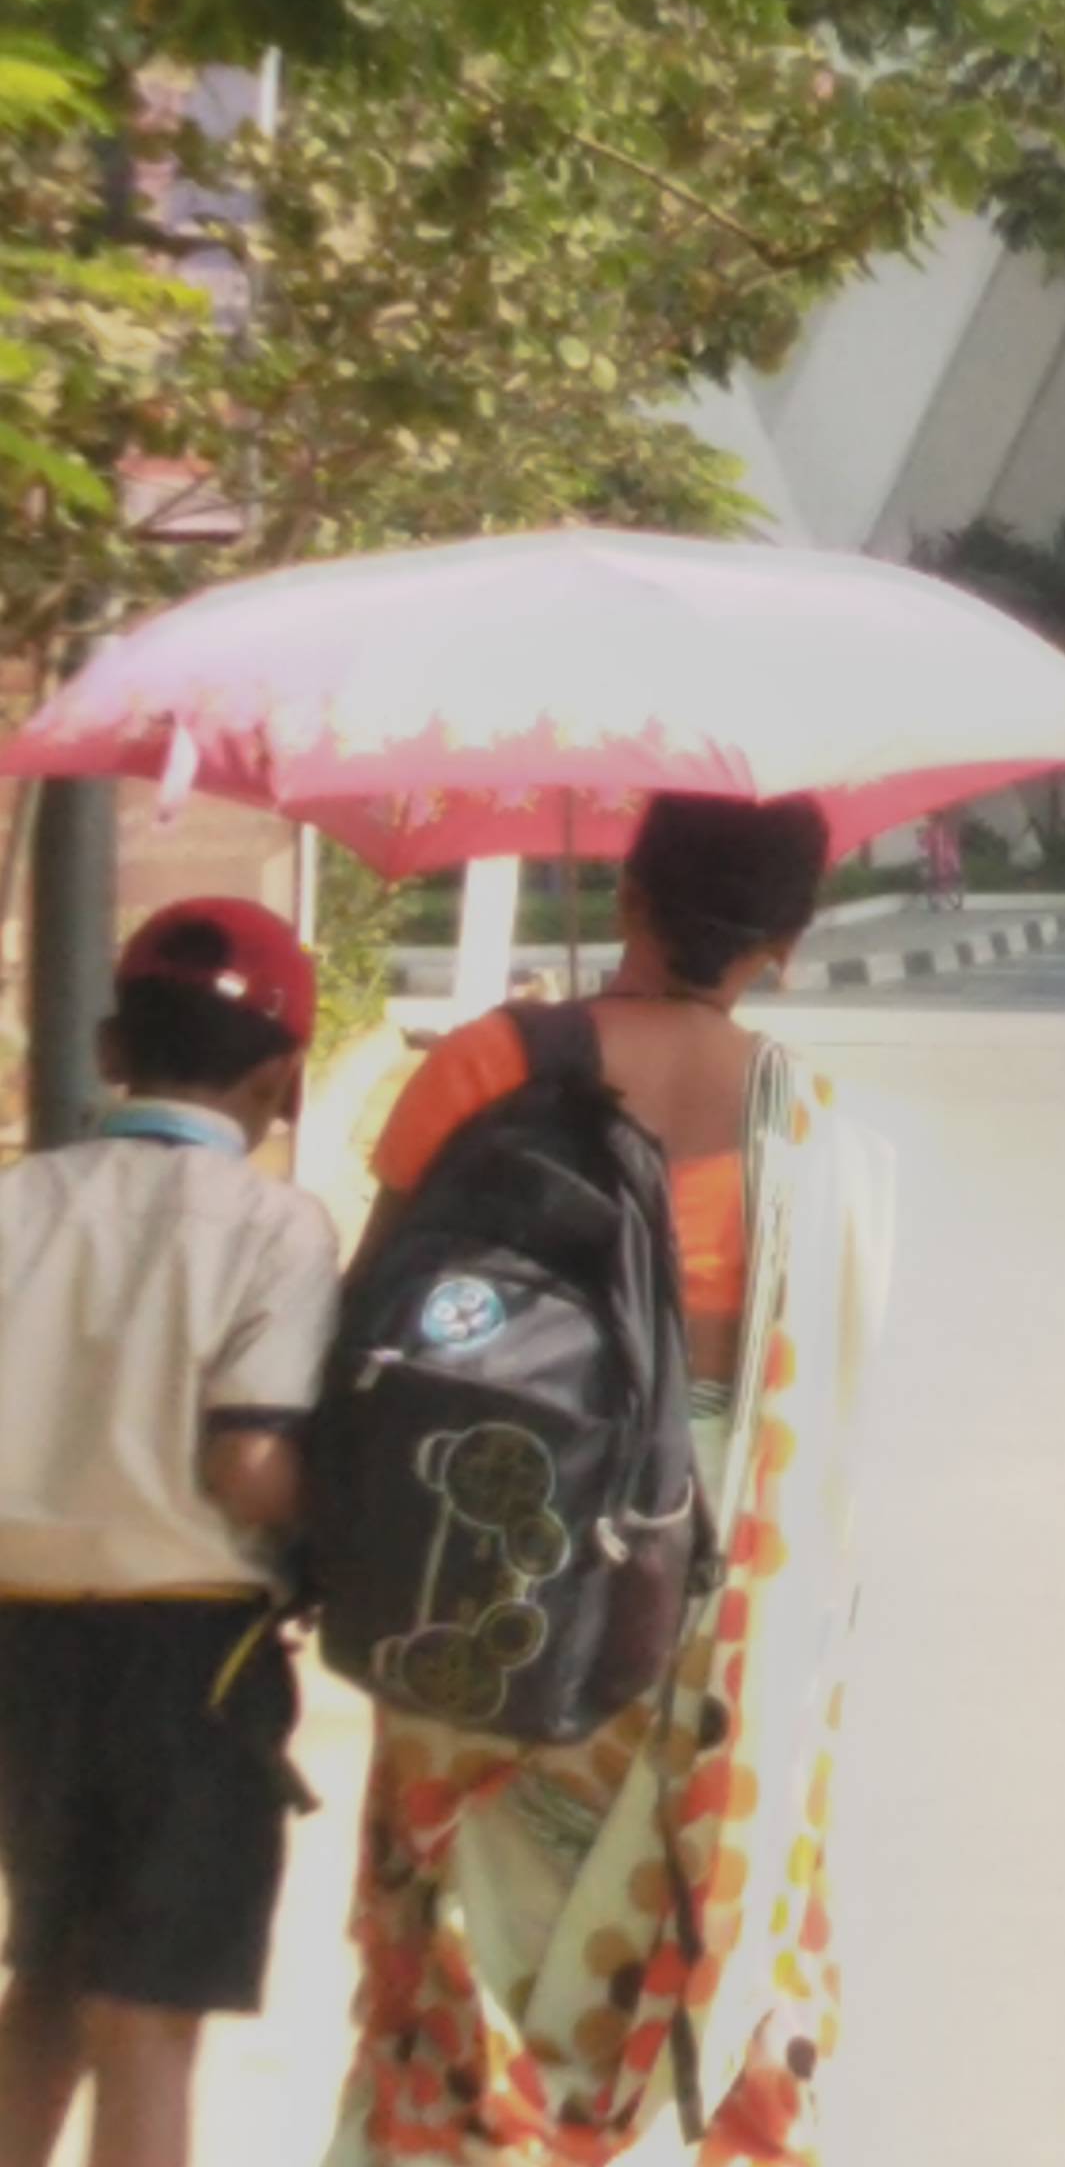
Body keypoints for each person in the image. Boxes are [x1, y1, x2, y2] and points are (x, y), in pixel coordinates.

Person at [328, 794, 894, 2167]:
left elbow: (371, 1312)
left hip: (492, 1547)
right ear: (786, 941)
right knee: (679, 1913)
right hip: (713, 1586)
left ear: (629, 893)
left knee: (464, 1911)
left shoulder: (490, 1063)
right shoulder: (813, 1126)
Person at [0, 903, 335, 2167]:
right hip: (194, 1664)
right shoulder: (276, 1229)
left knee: (44, 1979)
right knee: (148, 2015)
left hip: (25, 1647)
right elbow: (249, 1469)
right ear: (286, 1078)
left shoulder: (17, 1204)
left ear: (107, 1047)